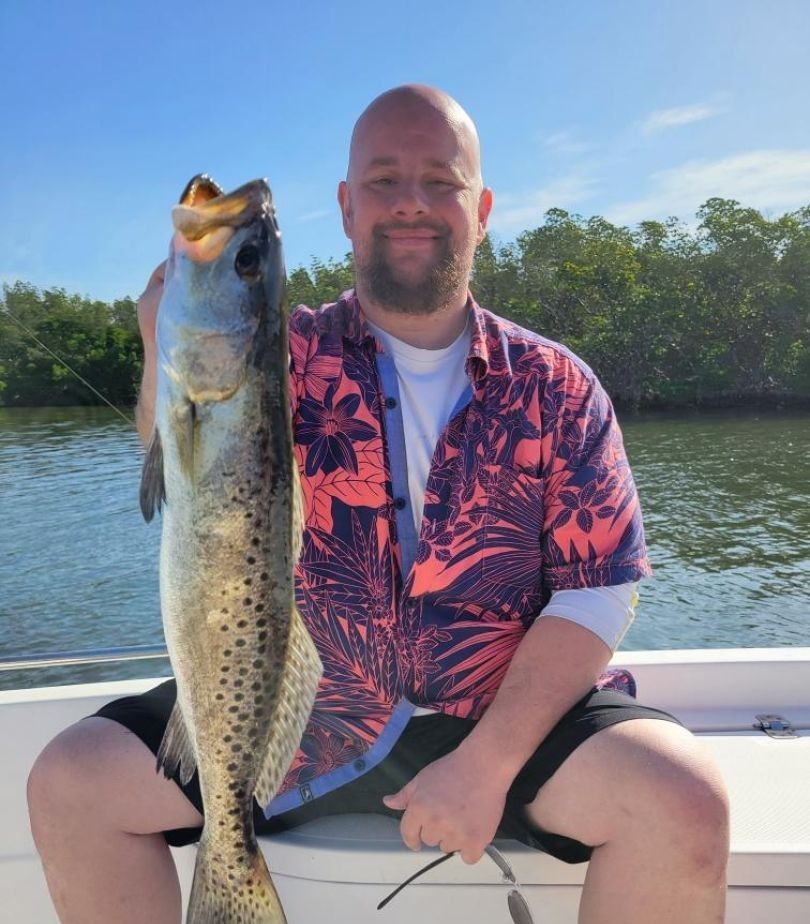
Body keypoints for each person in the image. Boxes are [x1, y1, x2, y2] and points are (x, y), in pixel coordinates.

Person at [27, 85, 730, 924]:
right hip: (295, 718)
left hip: (500, 714)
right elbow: (181, 459)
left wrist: (488, 766)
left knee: (683, 800)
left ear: (483, 208)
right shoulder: (274, 352)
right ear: (347, 207)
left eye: (443, 181)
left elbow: (598, 587)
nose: (412, 203)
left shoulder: (556, 385)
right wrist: (161, 343)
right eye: (385, 179)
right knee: (71, 782)